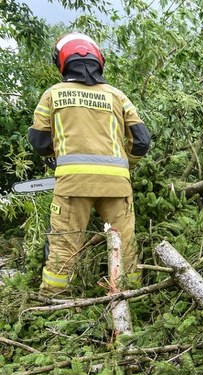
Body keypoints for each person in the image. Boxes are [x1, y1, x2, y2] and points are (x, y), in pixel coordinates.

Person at [28, 32, 151, 296]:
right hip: (117, 185)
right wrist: (124, 164)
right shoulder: (117, 96)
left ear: (61, 61)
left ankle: (52, 303)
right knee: (125, 247)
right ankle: (131, 299)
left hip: (73, 184)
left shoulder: (53, 95)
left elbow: (38, 142)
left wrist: (57, 154)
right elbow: (141, 140)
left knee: (64, 247)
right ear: (98, 60)